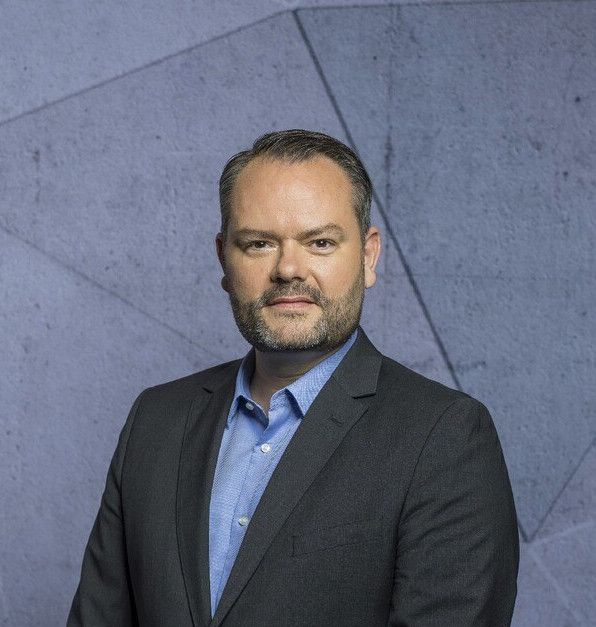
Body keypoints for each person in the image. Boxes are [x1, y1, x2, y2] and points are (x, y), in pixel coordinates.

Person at [68, 129, 519, 626]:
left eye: (320, 242)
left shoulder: (445, 436)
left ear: (368, 256)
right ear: (223, 258)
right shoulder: (156, 421)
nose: (288, 269)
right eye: (259, 244)